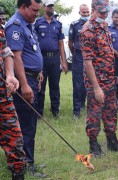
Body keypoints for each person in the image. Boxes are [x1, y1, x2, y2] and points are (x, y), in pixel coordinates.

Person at [80, 0, 118, 156]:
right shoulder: (88, 30)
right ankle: (93, 144)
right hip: (96, 81)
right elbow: (87, 62)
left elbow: (107, 50)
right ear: (93, 10)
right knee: (95, 112)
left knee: (111, 111)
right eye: (102, 12)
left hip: (109, 78)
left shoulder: (104, 27)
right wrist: (96, 87)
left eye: (106, 12)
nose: (105, 15)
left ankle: (112, 140)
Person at [5, 0, 46, 177]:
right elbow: (16, 58)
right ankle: (24, 164)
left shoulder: (27, 24)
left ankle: (28, 160)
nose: (37, 13)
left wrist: (39, 72)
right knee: (25, 125)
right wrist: (24, 84)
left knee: (30, 122)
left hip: (32, 77)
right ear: (23, 7)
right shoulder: (15, 25)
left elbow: (32, 51)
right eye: (34, 10)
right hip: (24, 81)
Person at [0, 6, 25, 180]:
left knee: (14, 136)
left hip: (3, 93)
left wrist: (10, 74)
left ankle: (18, 173)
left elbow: (6, 52)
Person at [35, 0, 68, 118]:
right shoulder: (38, 23)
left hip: (54, 59)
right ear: (44, 7)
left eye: (52, 6)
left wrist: (63, 62)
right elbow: (34, 42)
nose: (51, 8)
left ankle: (55, 111)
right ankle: (38, 112)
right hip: (41, 59)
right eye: (49, 6)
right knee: (40, 86)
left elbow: (61, 44)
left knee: (55, 86)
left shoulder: (58, 24)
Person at [68, 4, 90, 118]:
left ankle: (83, 104)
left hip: (90, 57)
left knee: (88, 82)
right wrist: (75, 54)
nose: (86, 14)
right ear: (79, 13)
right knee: (77, 84)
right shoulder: (74, 25)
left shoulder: (93, 24)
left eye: (87, 12)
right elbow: (70, 43)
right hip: (78, 56)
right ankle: (76, 111)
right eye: (83, 12)